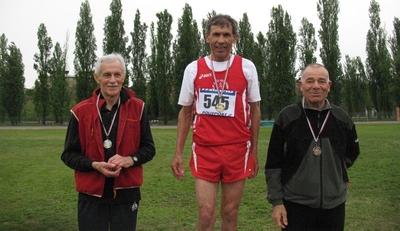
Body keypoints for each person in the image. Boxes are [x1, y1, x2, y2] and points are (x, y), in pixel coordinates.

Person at [171, 14, 261, 230]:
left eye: (227, 35)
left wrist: (255, 153)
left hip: (237, 150)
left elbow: (255, 110)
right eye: (216, 35)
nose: (221, 40)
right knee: (206, 214)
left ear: (235, 38)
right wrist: (178, 153)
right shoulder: (193, 69)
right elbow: (185, 113)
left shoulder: (247, 67)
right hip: (205, 150)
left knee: (230, 213)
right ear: (207, 38)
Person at [61, 53, 156, 231]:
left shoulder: (138, 107)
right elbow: (68, 155)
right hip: (91, 194)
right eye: (107, 75)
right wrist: (93, 165)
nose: (113, 80)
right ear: (97, 77)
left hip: (127, 193)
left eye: (117, 75)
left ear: (124, 77)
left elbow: (149, 149)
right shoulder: (80, 111)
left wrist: (130, 160)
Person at [265, 63, 360, 231]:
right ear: (301, 86)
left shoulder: (341, 117)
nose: (316, 86)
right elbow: (274, 164)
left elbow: (352, 152)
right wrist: (277, 202)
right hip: (295, 204)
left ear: (329, 86)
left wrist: (335, 173)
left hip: (334, 204)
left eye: (321, 81)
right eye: (310, 81)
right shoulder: (287, 117)